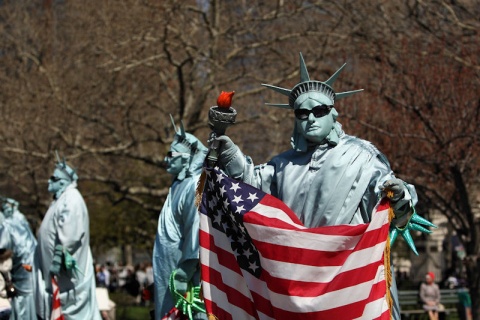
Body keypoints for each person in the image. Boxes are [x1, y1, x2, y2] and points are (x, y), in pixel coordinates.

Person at [213, 53, 435, 319]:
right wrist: (229, 153)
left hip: (350, 281)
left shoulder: (363, 156)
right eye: (302, 113)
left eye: (319, 111)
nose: (310, 118)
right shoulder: (281, 164)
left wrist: (400, 197)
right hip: (299, 285)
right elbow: (251, 190)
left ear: (334, 113)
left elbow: (389, 199)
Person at [152, 117, 208, 319]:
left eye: (170, 154)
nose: (166, 159)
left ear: (186, 157)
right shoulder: (177, 186)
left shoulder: (196, 185)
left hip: (186, 281)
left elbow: (196, 228)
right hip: (170, 275)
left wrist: (185, 271)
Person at [34, 154, 101, 319]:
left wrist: (57, 259)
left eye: (53, 178)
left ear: (63, 182)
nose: (49, 181)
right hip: (58, 281)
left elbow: (70, 235)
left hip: (68, 281)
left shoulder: (72, 199)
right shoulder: (61, 199)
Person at [0, 198, 37, 319]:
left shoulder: (7, 226)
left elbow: (2, 250)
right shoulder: (22, 222)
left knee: (22, 310)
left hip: (22, 278)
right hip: (33, 271)